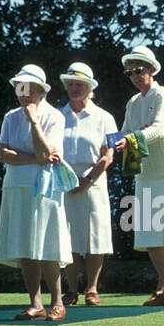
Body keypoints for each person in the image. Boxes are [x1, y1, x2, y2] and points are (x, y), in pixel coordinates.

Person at [109, 45, 164, 306]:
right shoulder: (133, 102)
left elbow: (160, 130)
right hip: (144, 173)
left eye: (139, 70)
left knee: (163, 233)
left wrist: (131, 137)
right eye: (130, 72)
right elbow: (124, 131)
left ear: (151, 70)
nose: (134, 75)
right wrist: (112, 143)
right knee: (152, 232)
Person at [0, 64, 72, 321]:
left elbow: (45, 154)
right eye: (20, 88)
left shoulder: (55, 117)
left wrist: (34, 121)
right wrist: (34, 159)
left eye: (28, 89)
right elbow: (1, 154)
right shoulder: (9, 117)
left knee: (48, 247)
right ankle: (35, 304)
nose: (23, 94)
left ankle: (58, 303)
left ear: (40, 91)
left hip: (46, 190)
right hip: (16, 187)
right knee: (26, 248)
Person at [57, 62, 118, 306]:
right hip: (65, 184)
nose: (74, 88)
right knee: (68, 238)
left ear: (90, 88)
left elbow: (110, 154)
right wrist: (69, 179)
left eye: (79, 84)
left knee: (96, 237)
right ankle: (71, 290)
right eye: (70, 84)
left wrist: (88, 179)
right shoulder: (56, 116)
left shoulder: (106, 118)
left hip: (95, 183)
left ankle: (91, 289)